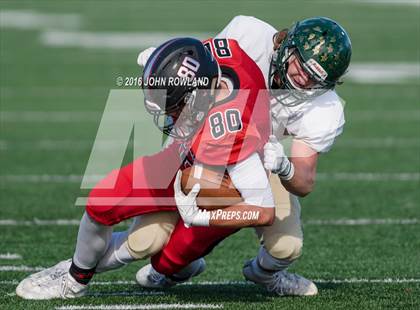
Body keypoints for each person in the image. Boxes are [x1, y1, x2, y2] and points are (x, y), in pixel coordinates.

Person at [15, 37, 275, 299]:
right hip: (184, 158)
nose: (171, 117)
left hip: (224, 188)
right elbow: (187, 58)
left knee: (165, 262)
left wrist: (200, 217)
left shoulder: (231, 132)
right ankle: (74, 280)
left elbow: (263, 211)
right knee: (103, 201)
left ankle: (179, 268)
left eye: (174, 109)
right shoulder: (214, 58)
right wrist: (160, 66)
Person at [135, 16, 352, 296]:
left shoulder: (324, 108)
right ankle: (177, 266)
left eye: (317, 79)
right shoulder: (248, 35)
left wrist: (284, 167)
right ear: (289, 45)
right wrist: (161, 60)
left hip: (262, 165)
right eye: (303, 66)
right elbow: (198, 69)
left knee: (287, 247)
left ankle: (266, 275)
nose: (305, 80)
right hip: (204, 146)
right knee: (146, 239)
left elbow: (305, 181)